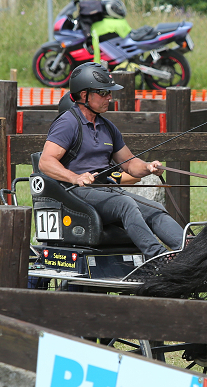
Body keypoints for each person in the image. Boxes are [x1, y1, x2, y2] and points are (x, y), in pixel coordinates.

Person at [39, 61, 183, 259]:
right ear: (84, 95)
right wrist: (75, 177)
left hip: (107, 191)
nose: (110, 97)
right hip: (77, 193)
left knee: (156, 209)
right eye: (104, 93)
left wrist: (148, 167)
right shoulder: (68, 123)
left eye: (109, 92)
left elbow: (130, 164)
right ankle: (159, 259)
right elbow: (46, 162)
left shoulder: (107, 127)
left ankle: (191, 254)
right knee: (125, 203)